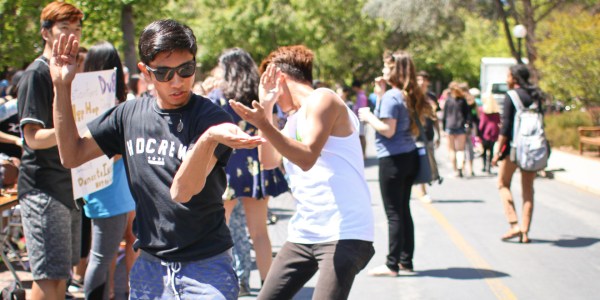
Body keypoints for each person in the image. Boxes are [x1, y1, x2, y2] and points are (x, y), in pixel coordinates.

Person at [49, 19, 263, 299]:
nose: (177, 81)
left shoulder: (211, 119)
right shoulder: (128, 115)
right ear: (145, 72)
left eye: (186, 70)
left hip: (206, 268)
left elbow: (183, 191)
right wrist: (61, 87)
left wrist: (209, 139)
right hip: (150, 268)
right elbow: (71, 155)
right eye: (164, 73)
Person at [229, 45, 374, 300]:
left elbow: (307, 157)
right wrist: (268, 108)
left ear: (279, 79)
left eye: (267, 85)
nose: (265, 92)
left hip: (344, 232)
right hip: (305, 233)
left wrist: (263, 121)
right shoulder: (291, 121)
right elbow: (268, 160)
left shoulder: (323, 99)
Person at [17, 2, 84, 299]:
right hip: (42, 188)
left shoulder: (70, 74)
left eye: (77, 30)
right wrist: (72, 131)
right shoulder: (36, 74)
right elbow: (32, 137)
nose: (72, 36)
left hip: (68, 185)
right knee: (47, 278)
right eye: (64, 29)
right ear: (46, 33)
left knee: (60, 276)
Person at [211, 48, 289, 296]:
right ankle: (269, 289)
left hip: (228, 168)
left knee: (218, 231)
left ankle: (218, 286)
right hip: (257, 165)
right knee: (259, 233)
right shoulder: (262, 96)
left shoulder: (218, 96)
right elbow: (274, 130)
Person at [359, 51, 431, 277]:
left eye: (386, 67)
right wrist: (381, 95)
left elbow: (387, 129)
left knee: (393, 213)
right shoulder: (405, 94)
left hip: (393, 158)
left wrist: (368, 116)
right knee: (403, 210)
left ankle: (392, 264)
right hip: (408, 155)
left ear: (396, 70)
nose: (382, 72)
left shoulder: (393, 96)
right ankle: (405, 260)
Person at [76, 41, 136, 300]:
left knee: (105, 254)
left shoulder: (89, 100)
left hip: (110, 187)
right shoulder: (104, 102)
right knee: (101, 256)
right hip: (107, 189)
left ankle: (107, 294)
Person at [492, 64, 545, 244]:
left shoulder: (512, 96)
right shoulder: (536, 96)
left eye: (508, 75)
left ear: (514, 78)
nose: (506, 79)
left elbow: (505, 127)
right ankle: (525, 230)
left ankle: (514, 223)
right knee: (528, 190)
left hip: (514, 150)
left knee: (502, 183)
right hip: (533, 149)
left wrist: (497, 150)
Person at [414, 71, 441, 203]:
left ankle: (423, 188)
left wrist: (439, 134)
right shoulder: (413, 96)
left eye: (424, 80)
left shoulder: (431, 97)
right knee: (421, 163)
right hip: (416, 135)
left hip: (429, 134)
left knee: (428, 162)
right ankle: (423, 191)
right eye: (419, 79)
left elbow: (435, 117)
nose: (422, 82)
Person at [442, 81, 470, 178]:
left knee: (452, 150)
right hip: (460, 125)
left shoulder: (448, 100)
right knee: (460, 150)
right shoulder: (462, 100)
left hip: (450, 126)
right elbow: (467, 114)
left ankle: (455, 170)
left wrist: (443, 128)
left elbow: (444, 115)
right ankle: (460, 168)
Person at [479, 94, 500, 174]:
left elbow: (482, 124)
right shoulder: (496, 111)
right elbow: (498, 122)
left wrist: (479, 132)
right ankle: (489, 166)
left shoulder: (483, 111)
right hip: (494, 131)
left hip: (486, 132)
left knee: (484, 150)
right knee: (491, 150)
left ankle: (484, 166)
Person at [352, 79, 369, 159]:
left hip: (361, 119)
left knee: (361, 136)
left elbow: (361, 108)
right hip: (359, 118)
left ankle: (363, 154)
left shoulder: (361, 96)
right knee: (360, 136)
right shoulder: (359, 95)